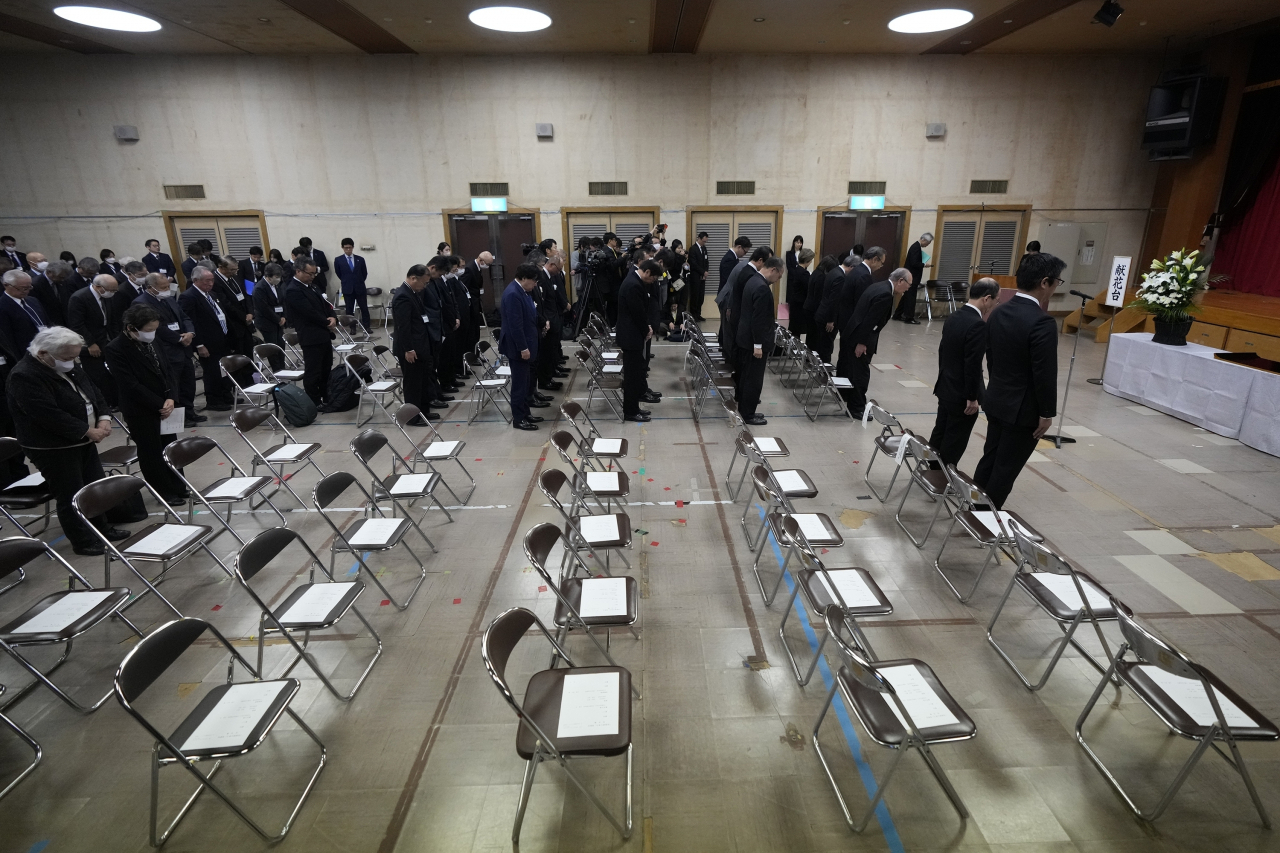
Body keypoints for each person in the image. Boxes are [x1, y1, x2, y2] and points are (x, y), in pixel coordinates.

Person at [8, 326, 136, 556]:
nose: (72, 362)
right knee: (71, 493)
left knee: (94, 486)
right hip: (53, 446)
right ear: (44, 353)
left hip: (83, 439)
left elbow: (93, 391)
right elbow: (47, 414)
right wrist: (87, 431)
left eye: (75, 356)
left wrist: (104, 417)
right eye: (67, 357)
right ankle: (83, 540)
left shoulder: (67, 363)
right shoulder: (24, 375)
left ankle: (102, 528)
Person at [973, 253, 1063, 508]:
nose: (1056, 288)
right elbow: (1045, 373)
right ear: (1044, 282)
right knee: (1006, 469)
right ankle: (985, 519)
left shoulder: (999, 311)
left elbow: (991, 358)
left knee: (990, 458)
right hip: (1023, 410)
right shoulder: (1042, 322)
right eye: (1057, 282)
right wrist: (1046, 413)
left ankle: (974, 508)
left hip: (997, 399)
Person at [105, 303, 187, 505]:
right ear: (131, 328)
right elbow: (129, 384)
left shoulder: (153, 340)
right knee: (151, 452)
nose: (152, 333)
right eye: (148, 330)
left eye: (155, 329)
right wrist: (159, 403)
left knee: (170, 447)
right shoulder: (116, 349)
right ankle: (163, 492)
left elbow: (167, 369)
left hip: (166, 404)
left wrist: (171, 398)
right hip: (142, 408)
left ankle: (179, 486)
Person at [928, 278, 999, 467]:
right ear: (987, 298)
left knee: (940, 431)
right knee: (955, 439)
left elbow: (943, 352)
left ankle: (931, 470)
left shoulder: (954, 316)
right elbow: (972, 365)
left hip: (945, 386)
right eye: (995, 301)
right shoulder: (977, 324)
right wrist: (972, 397)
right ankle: (944, 478)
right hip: (961, 394)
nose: (994, 305)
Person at [839, 267, 912, 415]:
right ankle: (856, 409)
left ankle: (851, 401)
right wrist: (862, 343)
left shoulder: (878, 286)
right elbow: (870, 321)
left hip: (852, 333)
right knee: (860, 374)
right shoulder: (885, 294)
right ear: (900, 281)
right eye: (909, 284)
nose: (908, 288)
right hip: (860, 338)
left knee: (854, 371)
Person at [133, 272, 201, 425]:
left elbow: (184, 317)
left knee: (188, 384)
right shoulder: (141, 303)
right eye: (163, 287)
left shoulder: (169, 299)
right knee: (173, 386)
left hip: (184, 348)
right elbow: (157, 328)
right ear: (151, 288)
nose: (167, 289)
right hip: (167, 349)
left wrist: (190, 333)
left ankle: (189, 412)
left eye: (167, 286)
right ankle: (179, 418)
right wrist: (178, 339)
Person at [736, 257, 784, 426]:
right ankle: (748, 414)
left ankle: (744, 409)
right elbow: (758, 320)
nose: (778, 280)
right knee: (753, 380)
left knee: (746, 377)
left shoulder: (752, 280)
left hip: (745, 339)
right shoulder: (762, 288)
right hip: (754, 343)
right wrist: (758, 345)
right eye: (779, 277)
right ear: (774, 270)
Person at [179, 265, 235, 412]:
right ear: (196, 280)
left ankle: (225, 393)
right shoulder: (188, 297)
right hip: (207, 342)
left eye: (212, 280)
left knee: (224, 369)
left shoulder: (212, 294)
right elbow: (191, 322)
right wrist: (199, 345)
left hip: (221, 338)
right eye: (207, 281)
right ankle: (214, 399)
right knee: (212, 372)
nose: (210, 283)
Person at [284, 257, 336, 408]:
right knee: (314, 371)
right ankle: (314, 401)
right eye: (310, 273)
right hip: (310, 336)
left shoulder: (313, 287)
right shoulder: (293, 290)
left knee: (326, 367)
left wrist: (333, 317)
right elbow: (309, 312)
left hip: (324, 334)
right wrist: (327, 322)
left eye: (314, 273)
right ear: (298, 271)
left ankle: (326, 396)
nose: (313, 276)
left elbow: (326, 306)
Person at [391, 265, 440, 424]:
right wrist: (409, 349)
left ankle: (423, 412)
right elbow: (403, 326)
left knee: (423, 382)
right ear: (413, 278)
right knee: (413, 384)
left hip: (421, 345)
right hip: (410, 349)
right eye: (423, 283)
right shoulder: (402, 296)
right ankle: (412, 417)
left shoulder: (413, 292)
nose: (424, 286)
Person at [66, 273, 120, 406]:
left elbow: (112, 319)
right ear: (97, 287)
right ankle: (105, 403)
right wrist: (91, 343)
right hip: (90, 343)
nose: (113, 293)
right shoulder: (79, 298)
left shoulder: (108, 296)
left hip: (107, 339)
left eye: (115, 290)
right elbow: (77, 324)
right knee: (98, 375)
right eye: (111, 290)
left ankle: (117, 400)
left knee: (113, 372)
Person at [617, 260, 660, 423]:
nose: (652, 282)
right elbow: (637, 312)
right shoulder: (633, 285)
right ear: (647, 272)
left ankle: (634, 407)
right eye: (653, 278)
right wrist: (646, 329)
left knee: (634, 375)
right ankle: (630, 411)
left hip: (632, 334)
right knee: (632, 376)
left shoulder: (633, 281)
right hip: (631, 336)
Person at [500, 263, 542, 431]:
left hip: (527, 343)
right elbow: (515, 326)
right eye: (533, 281)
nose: (535, 284)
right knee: (519, 384)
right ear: (524, 278)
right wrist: (523, 348)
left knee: (525, 382)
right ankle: (519, 418)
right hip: (518, 347)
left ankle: (526, 412)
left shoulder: (523, 291)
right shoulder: (513, 294)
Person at [0, 269, 52, 362]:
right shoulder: (2, 306)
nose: (27, 291)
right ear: (6, 285)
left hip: (47, 347)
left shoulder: (33, 300)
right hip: (26, 353)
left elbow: (47, 322)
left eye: (29, 287)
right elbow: (8, 339)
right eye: (23, 288)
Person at [212, 257, 255, 360]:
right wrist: (243, 316)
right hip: (233, 324)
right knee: (239, 355)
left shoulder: (235, 276)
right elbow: (226, 304)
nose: (235, 272)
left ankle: (250, 374)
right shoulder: (215, 281)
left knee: (249, 352)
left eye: (236, 269)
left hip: (246, 322)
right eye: (232, 270)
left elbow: (246, 295)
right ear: (221, 267)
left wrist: (250, 313)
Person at [803, 255, 838, 361]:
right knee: (815, 337)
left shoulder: (816, 272)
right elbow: (819, 297)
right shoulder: (822, 277)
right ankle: (812, 360)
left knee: (811, 336)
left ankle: (808, 358)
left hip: (809, 307)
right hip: (814, 309)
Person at [894, 232, 932, 324]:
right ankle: (909, 318)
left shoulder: (916, 246)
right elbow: (914, 263)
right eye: (928, 243)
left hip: (910, 276)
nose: (927, 245)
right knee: (911, 297)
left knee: (907, 296)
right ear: (923, 240)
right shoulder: (916, 247)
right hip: (912, 277)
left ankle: (897, 315)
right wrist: (924, 264)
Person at [334, 238, 370, 331]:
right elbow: (339, 273)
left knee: (364, 308)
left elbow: (364, 273)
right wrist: (347, 281)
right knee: (349, 310)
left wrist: (358, 281)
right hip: (347, 288)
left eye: (350, 247)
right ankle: (352, 328)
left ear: (353, 247)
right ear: (342, 248)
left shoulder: (360, 259)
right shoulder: (338, 260)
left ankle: (367, 327)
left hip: (360, 287)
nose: (348, 250)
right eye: (346, 248)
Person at [252, 262, 287, 347]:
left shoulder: (276, 285)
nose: (279, 279)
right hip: (267, 323)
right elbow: (264, 308)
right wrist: (278, 319)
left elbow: (282, 301)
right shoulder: (259, 288)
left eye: (280, 277)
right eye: (276, 277)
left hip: (279, 322)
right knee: (273, 350)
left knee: (281, 347)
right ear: (268, 276)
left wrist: (283, 316)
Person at [786, 248, 814, 337]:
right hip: (800, 304)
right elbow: (809, 288)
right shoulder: (804, 274)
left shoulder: (796, 270)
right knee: (797, 330)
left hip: (795, 302)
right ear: (808, 260)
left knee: (794, 329)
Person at [719, 235, 750, 302]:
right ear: (739, 247)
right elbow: (728, 279)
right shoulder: (729, 259)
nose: (745, 254)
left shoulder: (733, 257)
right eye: (745, 252)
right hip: (726, 295)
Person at [687, 231, 710, 322]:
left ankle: (698, 314)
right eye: (703, 241)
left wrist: (706, 272)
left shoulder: (704, 249)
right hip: (695, 276)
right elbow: (693, 263)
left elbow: (706, 261)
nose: (704, 243)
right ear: (699, 239)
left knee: (701, 296)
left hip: (702, 277)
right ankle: (693, 315)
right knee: (695, 296)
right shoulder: (693, 249)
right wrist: (702, 272)